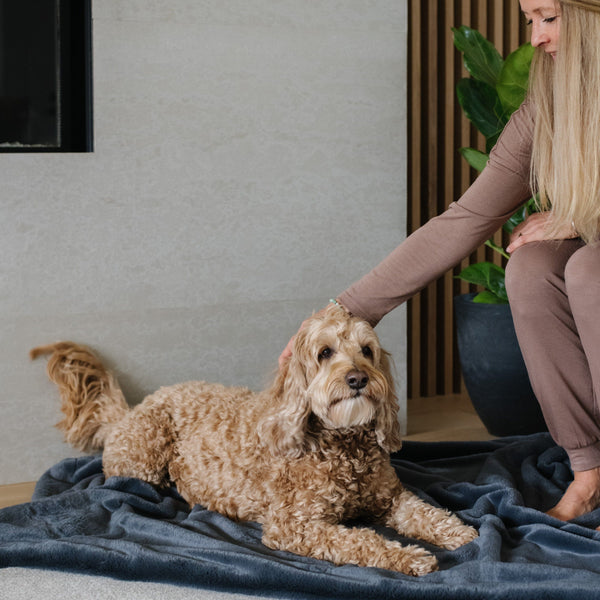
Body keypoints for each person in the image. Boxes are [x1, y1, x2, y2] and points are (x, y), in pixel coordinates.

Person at [279, 0, 600, 523]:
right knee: (531, 266)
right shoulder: (550, 101)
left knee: (588, 268)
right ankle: (589, 472)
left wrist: (584, 217)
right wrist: (339, 311)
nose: (537, 38)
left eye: (550, 17)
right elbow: (466, 218)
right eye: (529, 21)